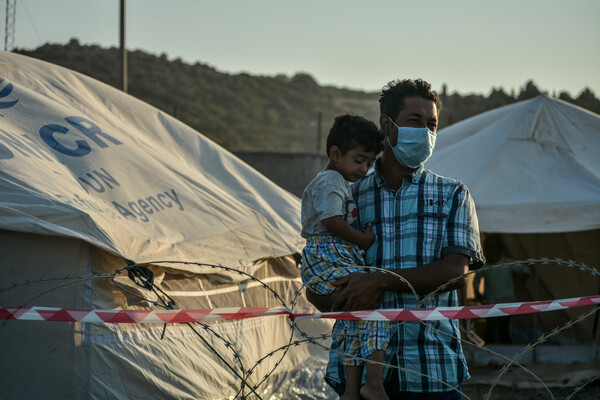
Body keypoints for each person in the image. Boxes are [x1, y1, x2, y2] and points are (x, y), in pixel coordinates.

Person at [306, 79, 485, 399]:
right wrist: (340, 296)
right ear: (386, 126)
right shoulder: (347, 196)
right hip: (356, 376)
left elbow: (455, 273)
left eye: (432, 124)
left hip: (430, 368)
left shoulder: (453, 195)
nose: (425, 132)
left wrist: (377, 282)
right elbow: (318, 276)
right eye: (414, 121)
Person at [301, 114, 387, 400]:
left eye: (369, 163)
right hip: (329, 254)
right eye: (359, 160)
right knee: (369, 308)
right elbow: (332, 221)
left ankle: (354, 390)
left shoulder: (339, 181)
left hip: (335, 254)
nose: (364, 169)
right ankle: (372, 382)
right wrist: (362, 239)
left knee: (354, 318)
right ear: (335, 154)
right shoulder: (330, 181)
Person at [473, 234, 529, 344]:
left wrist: (524, 277)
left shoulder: (507, 262)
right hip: (490, 301)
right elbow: (476, 279)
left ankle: (507, 353)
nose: (491, 253)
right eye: (488, 250)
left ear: (500, 250)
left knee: (504, 328)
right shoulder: (484, 265)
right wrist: (476, 292)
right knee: (490, 329)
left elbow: (525, 269)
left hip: (507, 301)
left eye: (493, 249)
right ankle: (489, 354)